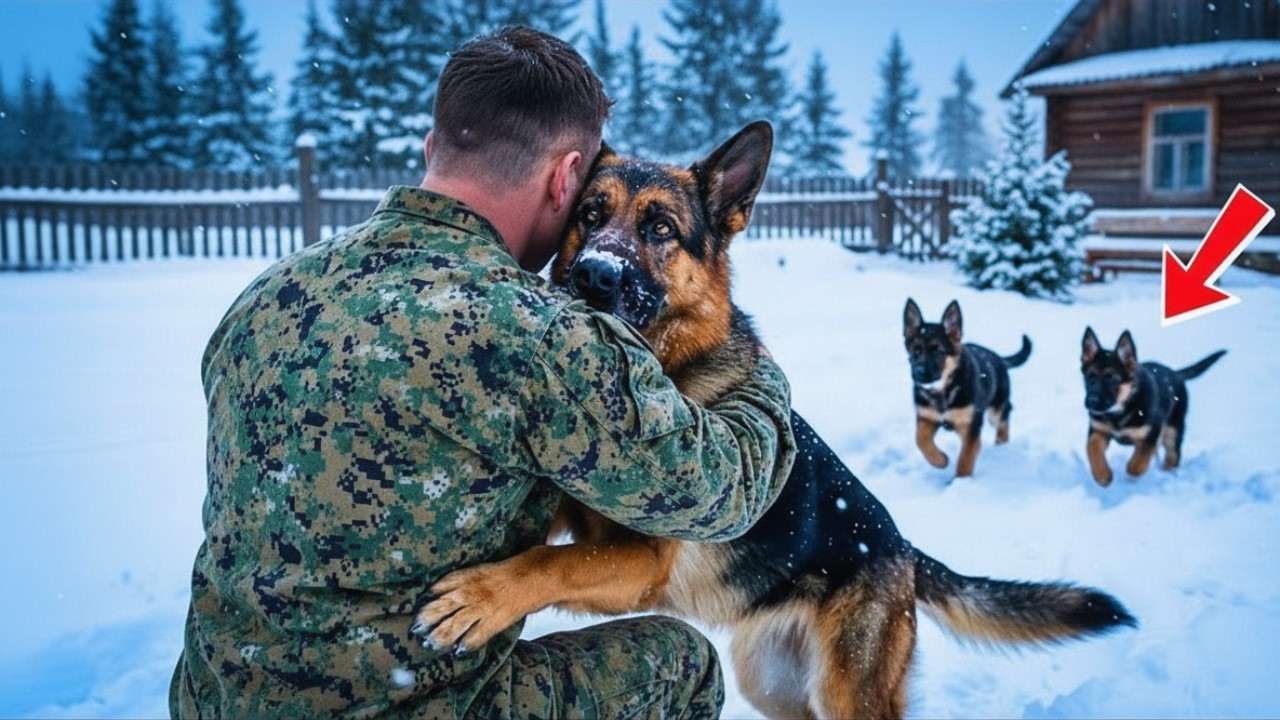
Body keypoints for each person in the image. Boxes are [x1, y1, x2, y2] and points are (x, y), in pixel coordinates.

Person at [171, 26, 796, 719]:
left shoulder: (271, 292)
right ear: (567, 178)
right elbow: (722, 494)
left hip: (217, 696)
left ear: (432, 148)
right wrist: (756, 369)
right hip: (413, 704)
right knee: (686, 664)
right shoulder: (540, 336)